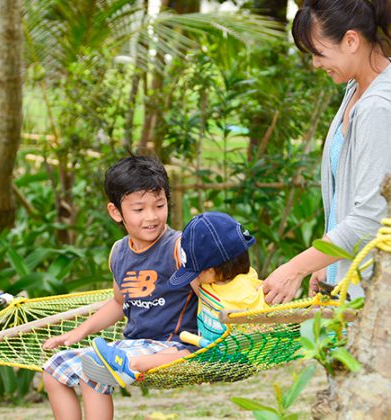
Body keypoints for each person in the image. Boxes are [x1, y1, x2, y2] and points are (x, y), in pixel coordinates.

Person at [42, 155, 198, 420]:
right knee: (53, 369)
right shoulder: (119, 252)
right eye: (139, 209)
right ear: (116, 212)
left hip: (173, 345)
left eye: (159, 206)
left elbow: (211, 291)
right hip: (133, 345)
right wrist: (78, 333)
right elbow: (118, 302)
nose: (151, 217)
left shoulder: (179, 248)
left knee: (96, 367)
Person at [263, 0, 391, 304]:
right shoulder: (355, 90)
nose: (316, 64)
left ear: (350, 40)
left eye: (319, 53)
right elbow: (345, 199)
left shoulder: (378, 108)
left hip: (373, 294)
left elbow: (370, 219)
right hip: (348, 279)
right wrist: (326, 262)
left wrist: (295, 268)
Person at [81, 211, 269, 387]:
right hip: (207, 347)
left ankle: (131, 364)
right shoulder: (217, 283)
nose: (194, 279)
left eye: (195, 272)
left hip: (230, 357)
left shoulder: (243, 291)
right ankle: (127, 367)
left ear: (211, 270)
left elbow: (261, 323)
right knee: (173, 352)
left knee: (183, 354)